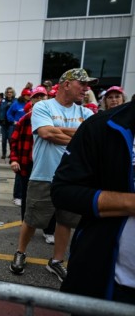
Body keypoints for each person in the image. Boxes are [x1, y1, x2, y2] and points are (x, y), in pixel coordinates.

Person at [9, 68, 97, 282]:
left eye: (87, 85)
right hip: (44, 174)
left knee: (66, 220)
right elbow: (46, 133)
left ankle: (56, 261)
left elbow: (91, 139)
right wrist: (78, 135)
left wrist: (60, 131)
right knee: (32, 218)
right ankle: (20, 252)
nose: (86, 89)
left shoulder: (86, 113)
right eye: (82, 84)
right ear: (66, 83)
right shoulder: (43, 106)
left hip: (74, 178)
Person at [51, 97, 135, 306]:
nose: (83, 88)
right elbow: (63, 191)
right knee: (50, 219)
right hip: (109, 283)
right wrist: (129, 202)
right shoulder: (101, 126)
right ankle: (55, 260)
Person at [8, 86, 55, 244]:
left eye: (43, 97)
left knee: (51, 198)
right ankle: (26, 226)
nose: (40, 100)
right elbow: (14, 140)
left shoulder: (53, 118)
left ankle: (49, 231)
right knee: (28, 198)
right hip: (27, 164)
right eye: (37, 97)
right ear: (31, 100)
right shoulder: (25, 119)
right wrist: (14, 159)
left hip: (48, 165)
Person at [6, 88, 29, 206]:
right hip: (17, 129)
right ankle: (17, 196)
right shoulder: (16, 104)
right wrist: (13, 121)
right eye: (26, 95)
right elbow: (9, 113)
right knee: (20, 174)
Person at [0, 87, 16, 159]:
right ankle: (4, 153)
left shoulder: (15, 101)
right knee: (4, 139)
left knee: (10, 138)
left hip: (11, 123)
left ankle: (12, 153)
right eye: (8, 92)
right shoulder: (3, 101)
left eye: (10, 92)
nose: (9, 93)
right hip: (3, 122)